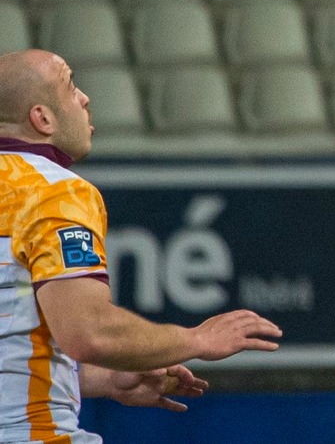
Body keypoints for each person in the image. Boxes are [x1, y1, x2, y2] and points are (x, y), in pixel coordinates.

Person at [0, 49, 281, 438]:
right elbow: (89, 333)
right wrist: (196, 339)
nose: (84, 98)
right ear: (42, 118)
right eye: (70, 85)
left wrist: (105, 380)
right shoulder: (52, 192)